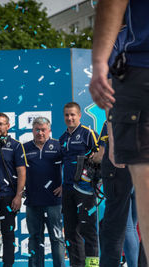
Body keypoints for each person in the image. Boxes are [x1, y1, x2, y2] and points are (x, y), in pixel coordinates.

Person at [89, 0, 149, 259]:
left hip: (141, 73)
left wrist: (99, 62)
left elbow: (108, 96)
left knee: (130, 210)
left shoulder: (120, 40)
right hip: (139, 77)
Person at [0, 112, 27, 267]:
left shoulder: (16, 145)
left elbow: (22, 172)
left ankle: (8, 264)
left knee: (8, 234)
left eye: (1, 124)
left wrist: (18, 196)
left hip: (8, 197)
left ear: (8, 126)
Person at [59, 102, 99, 267]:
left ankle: (92, 265)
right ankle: (77, 264)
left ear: (79, 115)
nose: (69, 118)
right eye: (67, 115)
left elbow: (100, 157)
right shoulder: (62, 138)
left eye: (73, 114)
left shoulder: (88, 134)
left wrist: (93, 181)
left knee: (88, 230)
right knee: (70, 231)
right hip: (67, 190)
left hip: (86, 191)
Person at [23, 117, 65, 267]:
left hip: (53, 202)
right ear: (32, 130)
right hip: (32, 202)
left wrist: (64, 186)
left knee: (57, 238)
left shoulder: (59, 146)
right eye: (37, 130)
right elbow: (17, 171)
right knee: (34, 238)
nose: (40, 133)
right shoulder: (25, 148)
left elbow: (71, 165)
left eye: (43, 130)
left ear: (49, 130)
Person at [96, 120, 135, 267]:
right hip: (140, 170)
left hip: (120, 167)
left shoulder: (111, 120)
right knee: (134, 226)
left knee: (118, 226)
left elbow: (101, 154)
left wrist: (95, 158)